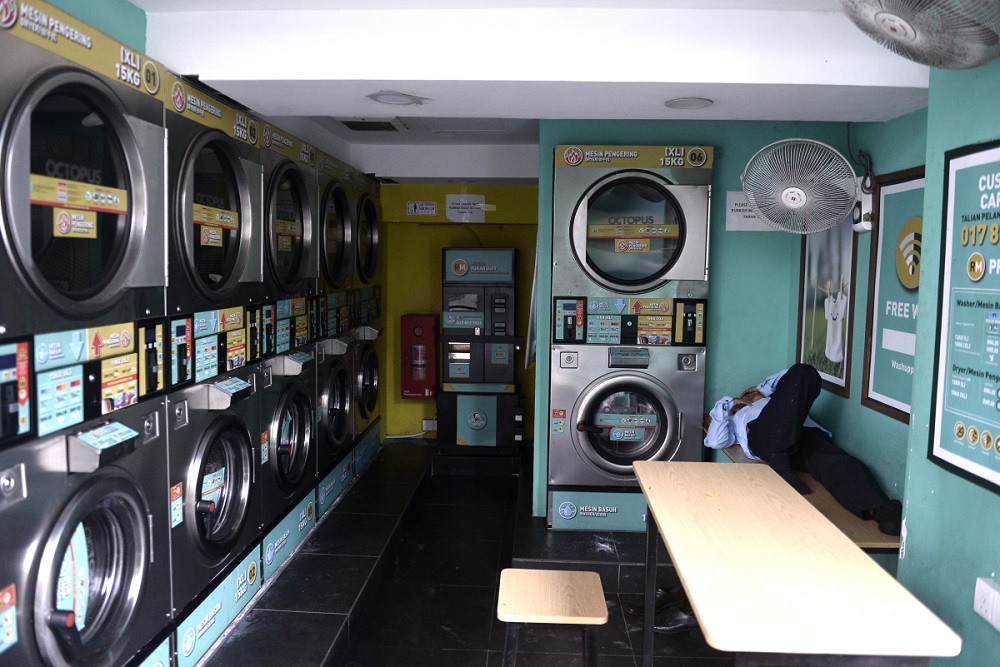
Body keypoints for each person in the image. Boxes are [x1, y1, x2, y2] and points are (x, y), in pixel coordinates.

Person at [704, 363, 902, 535]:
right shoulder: (734, 419)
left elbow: (790, 376)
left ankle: (881, 510)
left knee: (805, 373)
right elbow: (715, 441)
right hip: (763, 434)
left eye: (750, 394)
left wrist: (762, 390)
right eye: (745, 396)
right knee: (780, 431)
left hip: (800, 433)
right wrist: (730, 403)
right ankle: (779, 457)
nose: (747, 396)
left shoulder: (780, 400)